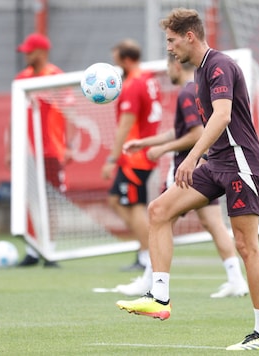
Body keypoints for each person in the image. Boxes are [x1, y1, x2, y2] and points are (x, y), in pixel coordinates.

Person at [116, 8, 259, 351]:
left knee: (247, 246)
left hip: (239, 163)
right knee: (159, 210)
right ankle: (159, 297)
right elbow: (207, 127)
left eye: (172, 41)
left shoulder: (219, 66)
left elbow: (222, 116)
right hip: (217, 162)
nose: (170, 48)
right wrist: (154, 145)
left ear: (190, 36)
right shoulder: (199, 75)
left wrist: (190, 158)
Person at [118, 53, 248, 299]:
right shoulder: (195, 90)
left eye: (168, 65)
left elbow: (195, 133)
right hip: (203, 168)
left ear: (176, 65)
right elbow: (177, 131)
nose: (167, 72)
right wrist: (146, 143)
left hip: (186, 171)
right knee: (213, 224)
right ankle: (236, 279)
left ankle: (149, 282)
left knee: (160, 219)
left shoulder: (188, 93)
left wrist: (163, 150)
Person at [8, 33, 76, 268]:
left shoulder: (55, 77)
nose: (26, 55)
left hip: (51, 151)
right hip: (27, 153)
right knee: (28, 201)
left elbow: (69, 112)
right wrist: (10, 150)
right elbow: (14, 118)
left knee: (50, 202)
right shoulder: (22, 78)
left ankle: (50, 251)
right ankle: (32, 250)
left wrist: (69, 146)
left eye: (30, 51)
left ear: (42, 52)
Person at [101, 39, 162, 273]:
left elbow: (125, 126)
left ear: (126, 60)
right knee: (116, 200)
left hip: (134, 156)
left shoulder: (133, 85)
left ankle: (147, 256)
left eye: (116, 60)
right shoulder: (148, 79)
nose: (115, 65)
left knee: (135, 205)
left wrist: (111, 159)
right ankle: (144, 248)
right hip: (141, 154)